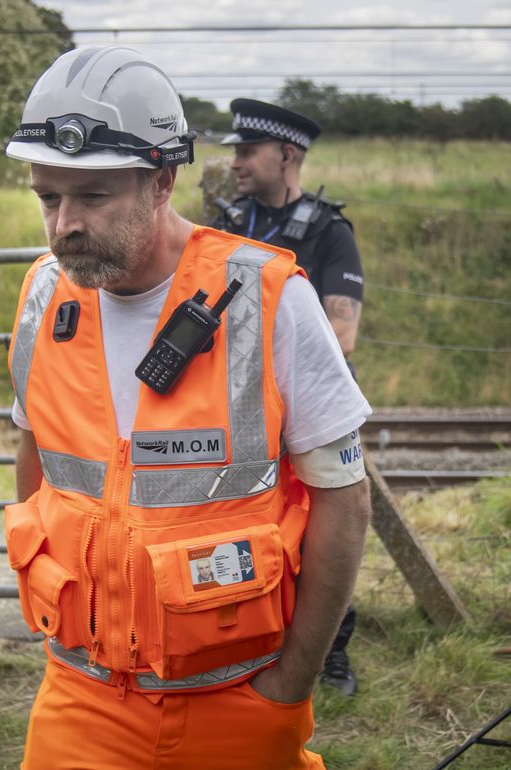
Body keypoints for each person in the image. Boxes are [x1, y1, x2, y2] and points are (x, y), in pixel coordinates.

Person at [3, 46, 372, 769]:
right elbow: (35, 455)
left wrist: (291, 682)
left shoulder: (269, 298)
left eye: (93, 197)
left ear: (162, 180)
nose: (63, 226)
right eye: (49, 197)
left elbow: (345, 498)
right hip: (80, 693)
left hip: (237, 698)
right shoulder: (44, 297)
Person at [213, 99, 365, 695]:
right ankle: (242, 640)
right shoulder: (224, 224)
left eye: (248, 151)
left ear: (288, 155)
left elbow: (342, 332)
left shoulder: (329, 231)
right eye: (235, 151)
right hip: (229, 416)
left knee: (325, 528)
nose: (237, 161)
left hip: (301, 415)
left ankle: (329, 652)